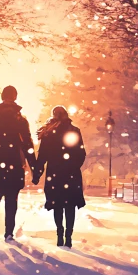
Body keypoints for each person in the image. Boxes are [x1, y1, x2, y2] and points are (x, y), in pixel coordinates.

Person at [0, 85, 37, 241]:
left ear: (2, 96)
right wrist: (34, 167)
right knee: (11, 200)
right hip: (14, 165)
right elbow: (28, 144)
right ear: (15, 97)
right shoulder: (20, 120)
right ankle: (9, 231)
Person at [32, 106, 86, 248]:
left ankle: (59, 234)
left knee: (58, 205)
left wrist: (37, 173)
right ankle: (68, 235)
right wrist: (74, 165)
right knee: (70, 206)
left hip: (55, 173)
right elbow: (81, 153)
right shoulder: (74, 131)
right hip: (71, 173)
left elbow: (42, 156)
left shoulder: (48, 133)